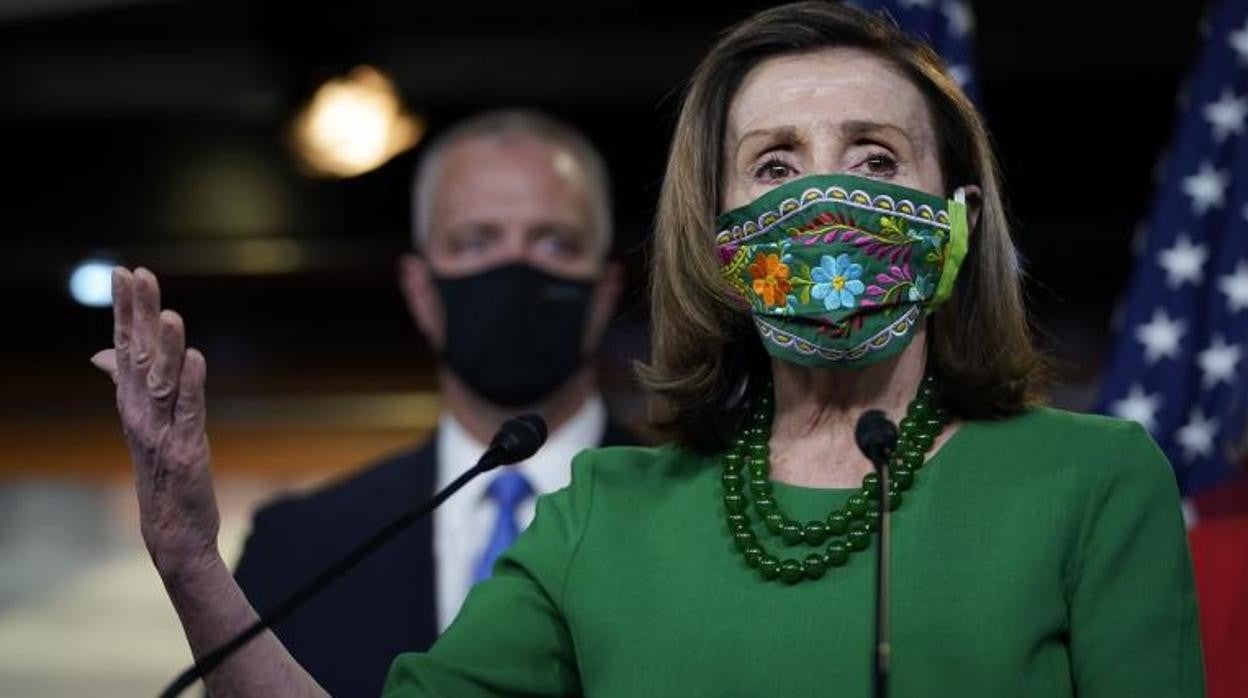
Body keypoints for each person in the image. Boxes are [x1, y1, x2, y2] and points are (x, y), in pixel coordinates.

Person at [93, 2, 1205, 696]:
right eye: (774, 164)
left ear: (957, 220)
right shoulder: (601, 512)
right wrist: (191, 555)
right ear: (716, 237)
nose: (824, 196)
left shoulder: (1092, 481)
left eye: (874, 159)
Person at [238, 110, 638, 696]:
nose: (515, 267)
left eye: (554, 241)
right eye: (476, 241)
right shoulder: (299, 553)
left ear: (605, 292)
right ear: (421, 292)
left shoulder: (705, 521)